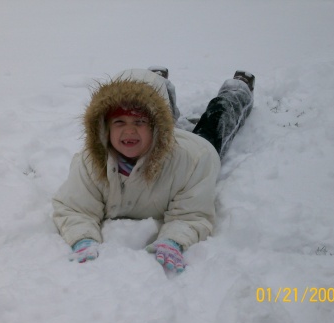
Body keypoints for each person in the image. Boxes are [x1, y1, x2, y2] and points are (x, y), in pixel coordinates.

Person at [52, 67, 255, 273]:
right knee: (150, 103)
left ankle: (237, 91)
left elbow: (191, 215)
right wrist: (83, 239)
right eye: (119, 121)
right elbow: (76, 209)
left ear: (158, 128)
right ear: (105, 127)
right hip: (155, 139)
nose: (129, 130)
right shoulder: (91, 163)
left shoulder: (194, 160)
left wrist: (174, 240)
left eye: (140, 121)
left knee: (216, 120)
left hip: (185, 148)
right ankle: (158, 83)